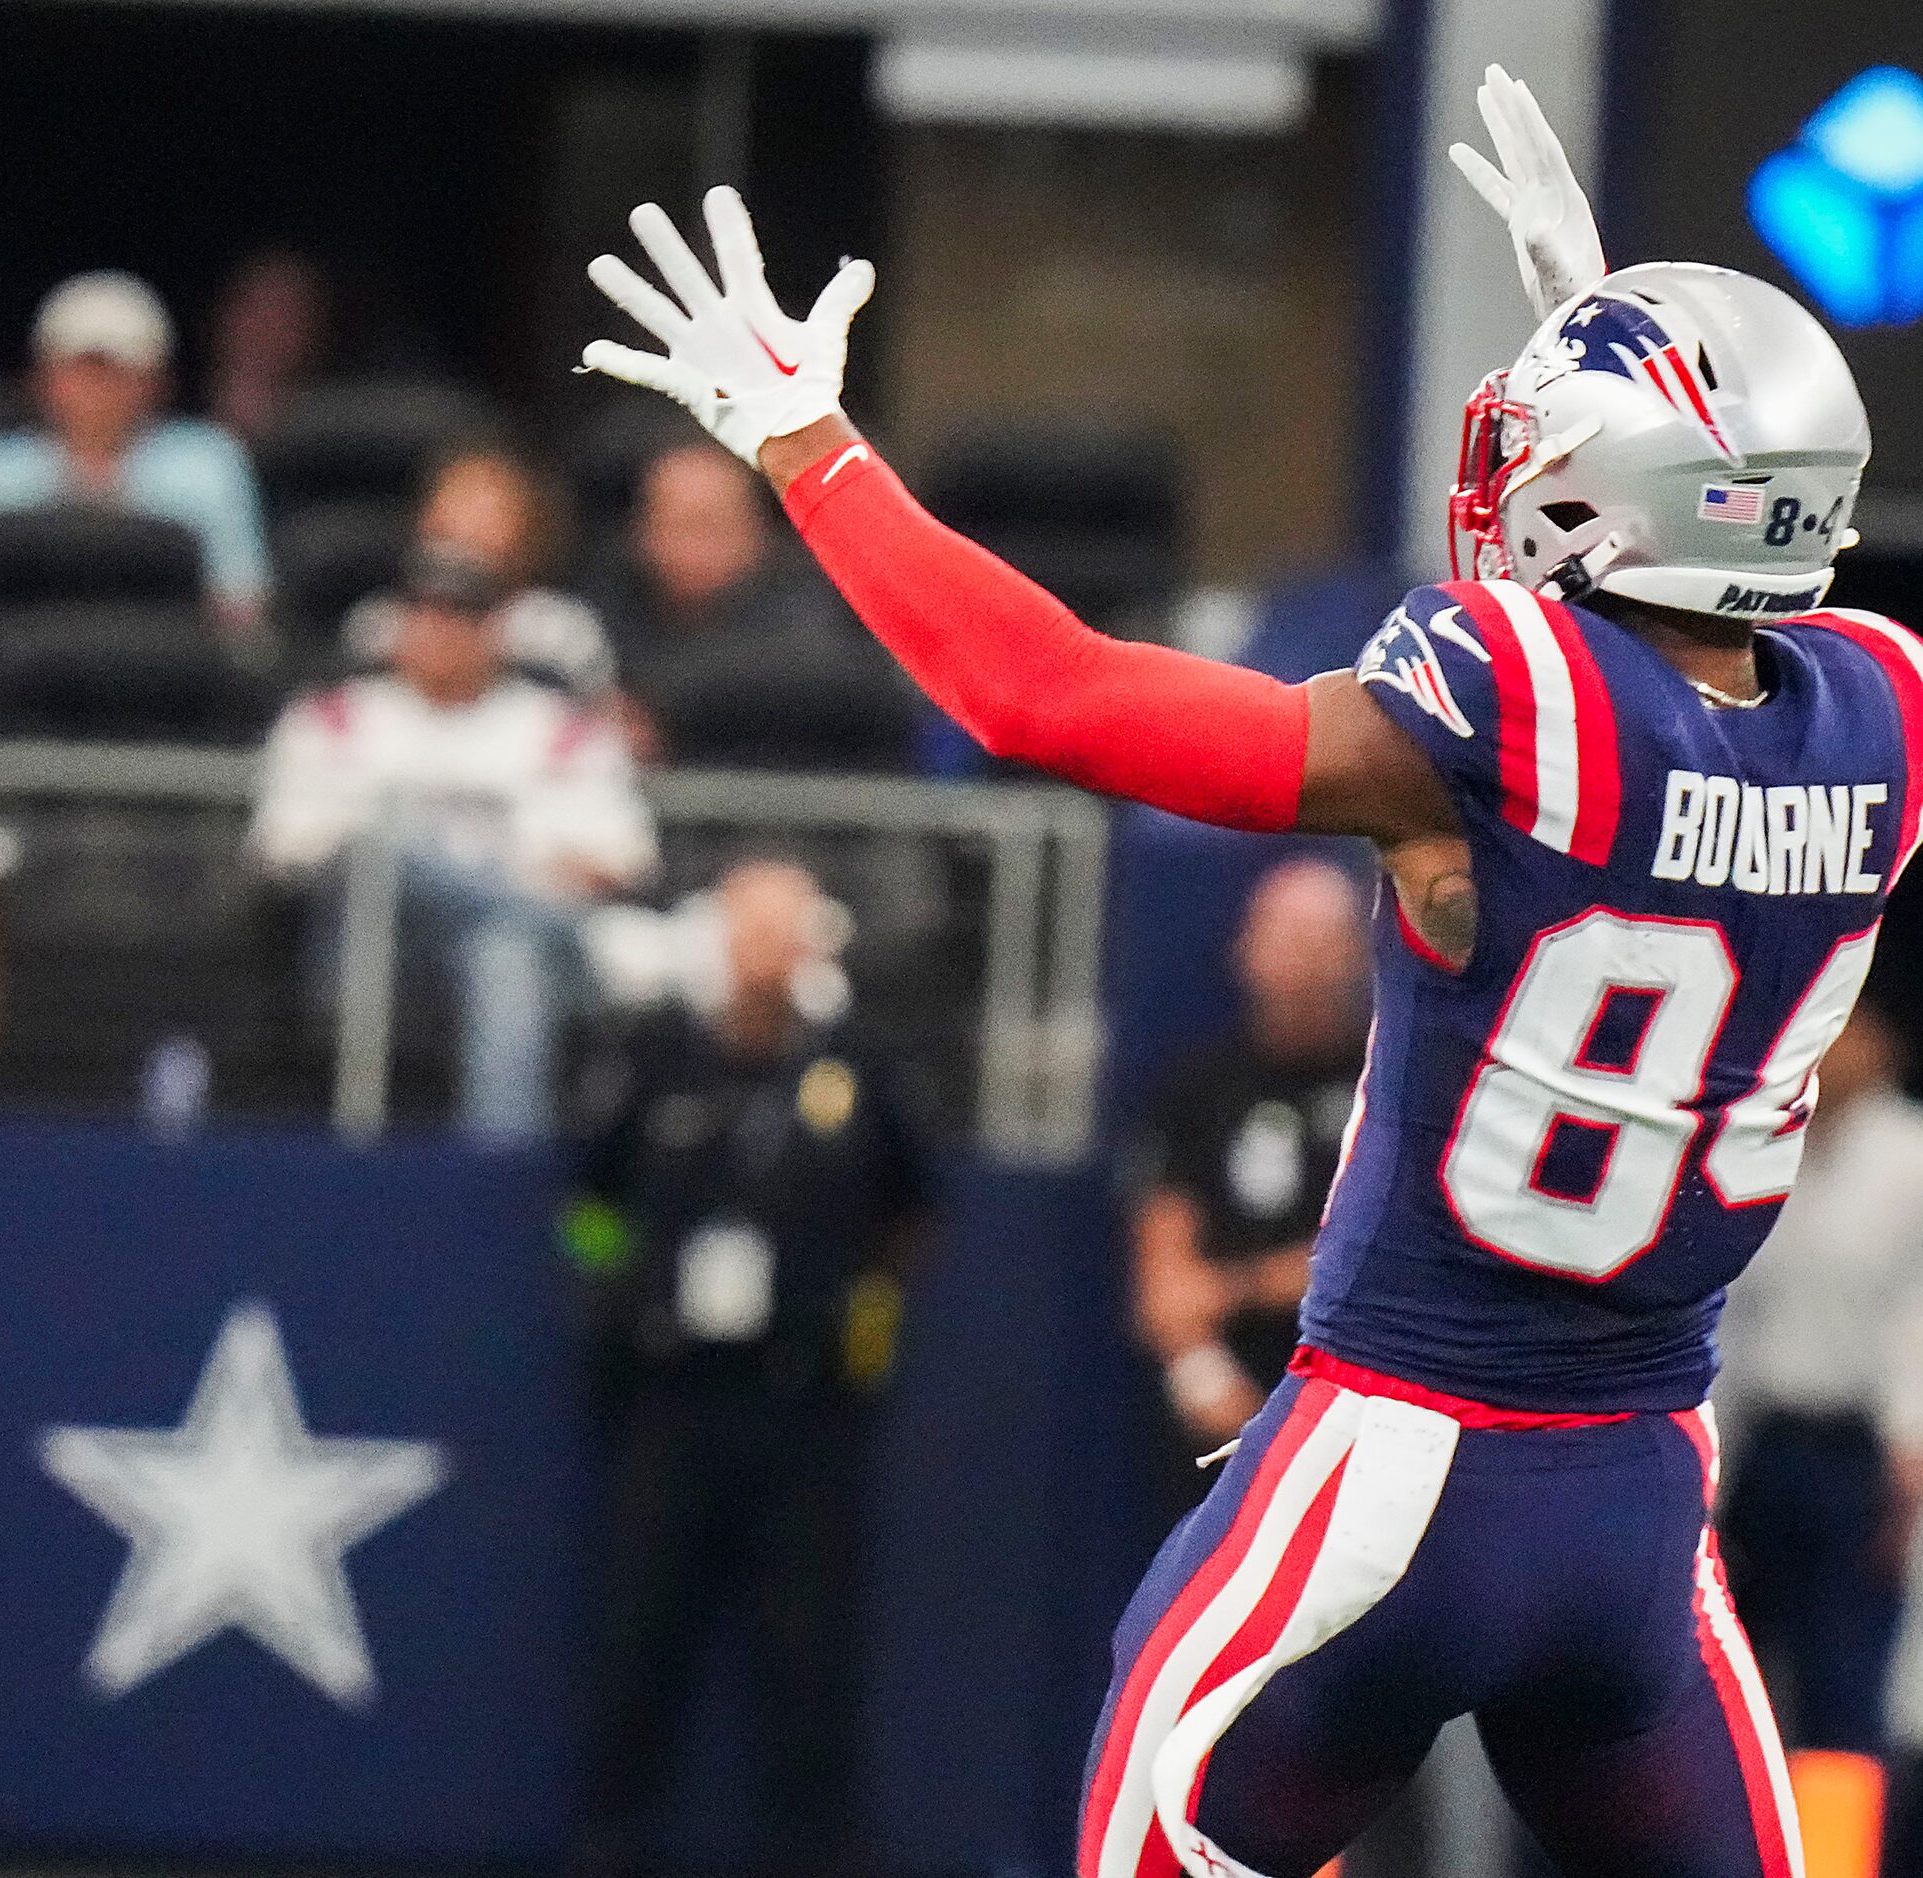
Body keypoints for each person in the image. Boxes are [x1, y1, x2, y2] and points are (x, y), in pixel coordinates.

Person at [585, 63, 1900, 1878]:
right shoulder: (1881, 715)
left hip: (1391, 1474)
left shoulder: (1505, 712)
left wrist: (813, 447)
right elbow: (1725, 645)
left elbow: (1043, 690)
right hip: (1642, 1503)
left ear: (1611, 493)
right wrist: (1614, 349)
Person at [567, 857, 931, 1878]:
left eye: (791, 930)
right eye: (753, 929)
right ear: (720, 938)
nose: (772, 952)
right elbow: (587, 1205)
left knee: (810, 1659)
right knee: (637, 1640)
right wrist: (616, 1291)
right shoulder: (656, 1057)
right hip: (671, 1397)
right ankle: (607, 1846)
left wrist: (868, 1313)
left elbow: (914, 1208)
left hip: (804, 1403)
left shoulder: (859, 1066)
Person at [250, 546, 654, 1140]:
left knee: (503, 957)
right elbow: (285, 851)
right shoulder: (332, 718)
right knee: (384, 851)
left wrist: (485, 897)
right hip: (367, 947)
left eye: (461, 615)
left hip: (531, 963)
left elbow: (619, 859)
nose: (440, 632)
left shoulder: (560, 730)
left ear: (496, 630)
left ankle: (493, 1175)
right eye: (423, 612)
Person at [1717, 1003, 1923, 1878]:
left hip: (1857, 1458)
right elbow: (1731, 1312)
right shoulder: (1767, 1143)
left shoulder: (1909, 1158)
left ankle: (1837, 1868)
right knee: (1719, 1689)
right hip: (1760, 1444)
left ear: (1878, 1044)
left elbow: (1916, 1318)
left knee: (1841, 1706)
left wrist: (1907, 1457)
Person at [1126, 857, 1371, 1515]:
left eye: (1320, 943)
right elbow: (1163, 1281)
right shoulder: (1197, 1090)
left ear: (1354, 955)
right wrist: (1199, 1372)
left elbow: (1370, 1263)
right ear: (1244, 948)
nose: (1302, 967)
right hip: (1224, 1421)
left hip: (1361, 1416)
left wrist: (1236, 1287)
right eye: (1284, 939)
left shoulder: (1389, 1094)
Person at [0, 269, 271, 629]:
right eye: (81, 369)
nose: (97, 389)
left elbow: (239, 608)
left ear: (158, 381)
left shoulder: (210, 464)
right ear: (41, 377)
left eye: (116, 372)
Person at [586, 440, 910, 769]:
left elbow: (840, 679)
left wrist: (659, 707)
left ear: (756, 531)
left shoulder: (809, 608)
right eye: (670, 523)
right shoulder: (608, 604)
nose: (688, 545)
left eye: (708, 526)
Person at [343, 443, 618, 696]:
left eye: (486, 517)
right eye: (453, 508)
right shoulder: (377, 625)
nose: (462, 533)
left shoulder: (559, 635)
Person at [205, 248, 331, 448]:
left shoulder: (329, 436)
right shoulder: (164, 427)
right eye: (258, 307)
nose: (268, 327)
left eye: (287, 315)